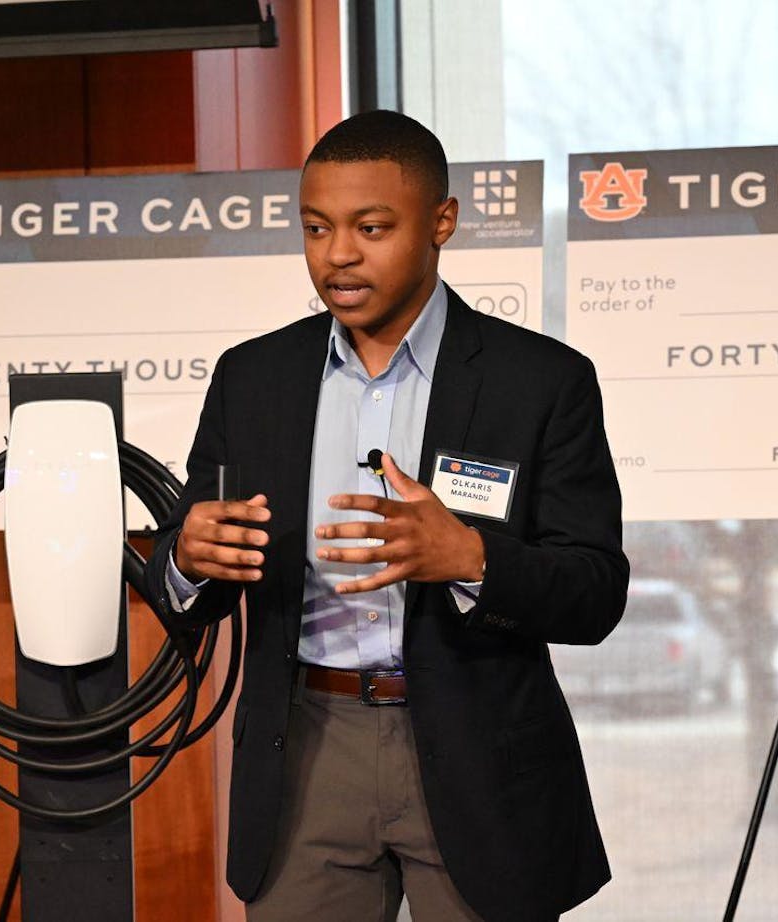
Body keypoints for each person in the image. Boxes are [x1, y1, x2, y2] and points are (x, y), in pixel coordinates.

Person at [143, 110, 629, 922]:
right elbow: (187, 577)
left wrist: (472, 557)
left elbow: (595, 591)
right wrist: (188, 559)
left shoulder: (541, 381)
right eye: (316, 228)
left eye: (371, 227)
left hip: (481, 760)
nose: (338, 254)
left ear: (442, 223)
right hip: (305, 750)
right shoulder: (250, 378)